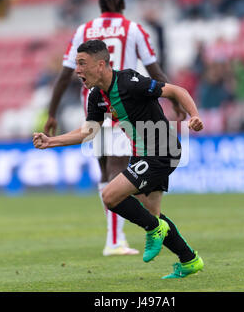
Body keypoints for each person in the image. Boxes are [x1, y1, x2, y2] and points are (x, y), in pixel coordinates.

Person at [34, 39, 204, 279]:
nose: (78, 70)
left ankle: (154, 229)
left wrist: (194, 116)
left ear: (101, 65)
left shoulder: (129, 82)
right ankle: (189, 260)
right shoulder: (96, 96)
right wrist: (51, 141)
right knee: (151, 211)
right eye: (76, 64)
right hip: (141, 154)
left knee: (110, 196)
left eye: (82, 63)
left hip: (162, 150)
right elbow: (88, 132)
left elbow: (177, 91)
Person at [44, 0, 185, 256]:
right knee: (119, 170)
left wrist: (52, 113)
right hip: (123, 106)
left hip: (94, 103)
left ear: (99, 6)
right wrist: (173, 99)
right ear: (123, 5)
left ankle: (117, 237)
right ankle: (117, 240)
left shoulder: (83, 31)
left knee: (106, 171)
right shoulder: (134, 29)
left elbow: (64, 76)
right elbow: (154, 69)